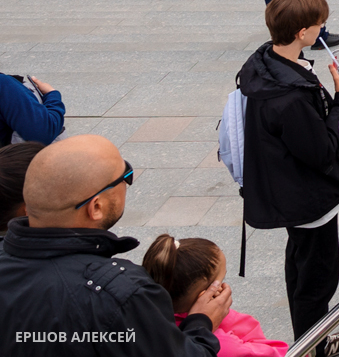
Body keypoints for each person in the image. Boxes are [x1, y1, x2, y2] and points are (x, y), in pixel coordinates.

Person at [0, 135, 229, 357]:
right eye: (125, 176)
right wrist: (201, 322)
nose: (127, 183)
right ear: (96, 207)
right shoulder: (120, 295)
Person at [235, 0, 339, 356]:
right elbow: (321, 152)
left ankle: (312, 342)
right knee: (316, 281)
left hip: (287, 190)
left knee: (302, 269)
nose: (324, 28)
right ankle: (313, 348)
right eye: (320, 24)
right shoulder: (288, 96)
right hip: (306, 199)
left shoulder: (267, 63)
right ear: (303, 32)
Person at [142, 233, 286, 357]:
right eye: (222, 280)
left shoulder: (148, 321)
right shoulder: (223, 345)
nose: (225, 287)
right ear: (206, 295)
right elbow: (279, 352)